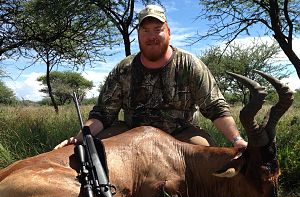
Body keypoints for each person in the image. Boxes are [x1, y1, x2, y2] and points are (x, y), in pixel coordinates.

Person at [55, 4, 247, 149]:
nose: (151, 36)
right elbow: (103, 114)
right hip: (132, 134)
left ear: (169, 32)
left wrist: (237, 140)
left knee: (203, 150)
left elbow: (216, 108)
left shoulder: (189, 64)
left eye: (158, 29)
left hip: (180, 134)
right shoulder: (124, 69)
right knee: (94, 148)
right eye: (146, 31)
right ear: (138, 35)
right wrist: (79, 138)